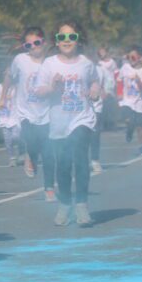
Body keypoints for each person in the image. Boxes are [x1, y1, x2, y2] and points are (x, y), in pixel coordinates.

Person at [39, 21, 101, 227]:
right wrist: (52, 86)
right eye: (62, 37)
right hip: (58, 123)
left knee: (80, 157)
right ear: (56, 41)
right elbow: (39, 91)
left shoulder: (86, 63)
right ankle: (65, 203)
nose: (67, 41)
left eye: (71, 37)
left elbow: (94, 81)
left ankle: (82, 204)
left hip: (82, 118)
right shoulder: (49, 64)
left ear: (78, 40)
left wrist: (94, 91)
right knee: (63, 165)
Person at [2, 28, 56, 198]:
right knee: (32, 143)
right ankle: (30, 155)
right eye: (28, 45)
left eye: (37, 43)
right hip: (26, 112)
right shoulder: (20, 60)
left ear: (44, 43)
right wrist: (3, 97)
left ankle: (49, 188)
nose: (33, 47)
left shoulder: (52, 63)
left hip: (47, 113)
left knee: (48, 153)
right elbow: (10, 76)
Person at [119, 46, 142, 156]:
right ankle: (129, 130)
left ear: (140, 57)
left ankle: (141, 146)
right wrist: (119, 94)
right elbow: (119, 80)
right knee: (128, 120)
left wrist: (138, 81)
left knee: (140, 126)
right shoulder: (125, 67)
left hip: (140, 102)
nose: (130, 59)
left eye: (133, 57)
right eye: (129, 57)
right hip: (127, 100)